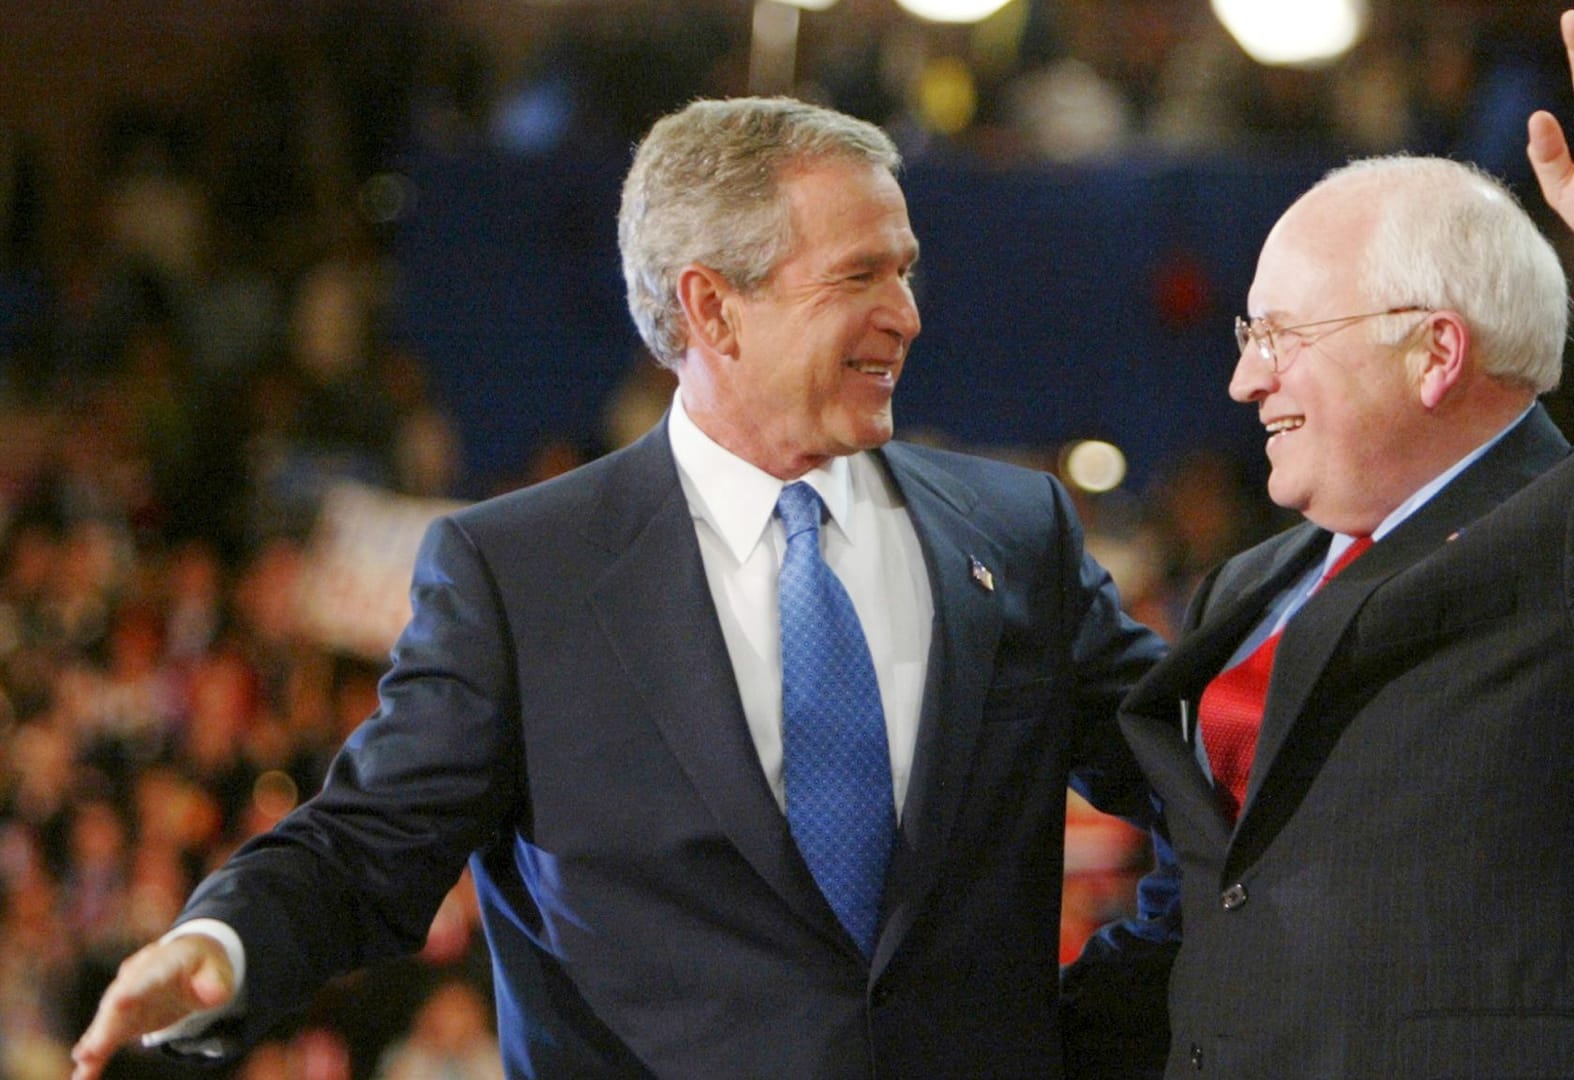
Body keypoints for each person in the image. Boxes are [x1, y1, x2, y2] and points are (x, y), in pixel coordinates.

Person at [70, 98, 1170, 1080]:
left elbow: (1195, 787)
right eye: (859, 275)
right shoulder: (520, 575)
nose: (907, 313)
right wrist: (222, 945)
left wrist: (1103, 1024)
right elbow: (366, 848)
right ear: (714, 309)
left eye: (906, 269)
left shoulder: (1013, 535)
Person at [1106, 5, 1574, 1076]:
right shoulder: (1240, 593)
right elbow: (1209, 918)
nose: (1244, 378)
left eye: (1278, 336)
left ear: (1435, 352)